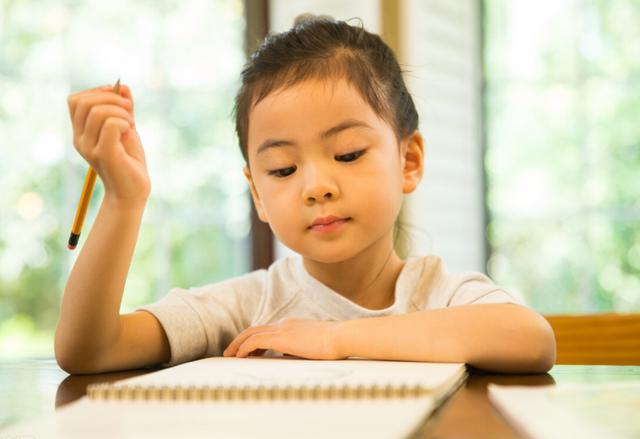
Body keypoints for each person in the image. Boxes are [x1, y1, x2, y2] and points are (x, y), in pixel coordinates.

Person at [55, 15, 556, 375]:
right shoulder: (251, 304)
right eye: (283, 168)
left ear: (409, 160)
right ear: (257, 194)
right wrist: (123, 200)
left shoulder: (439, 293)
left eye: (348, 154)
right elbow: (89, 351)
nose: (317, 186)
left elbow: (531, 339)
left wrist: (335, 338)